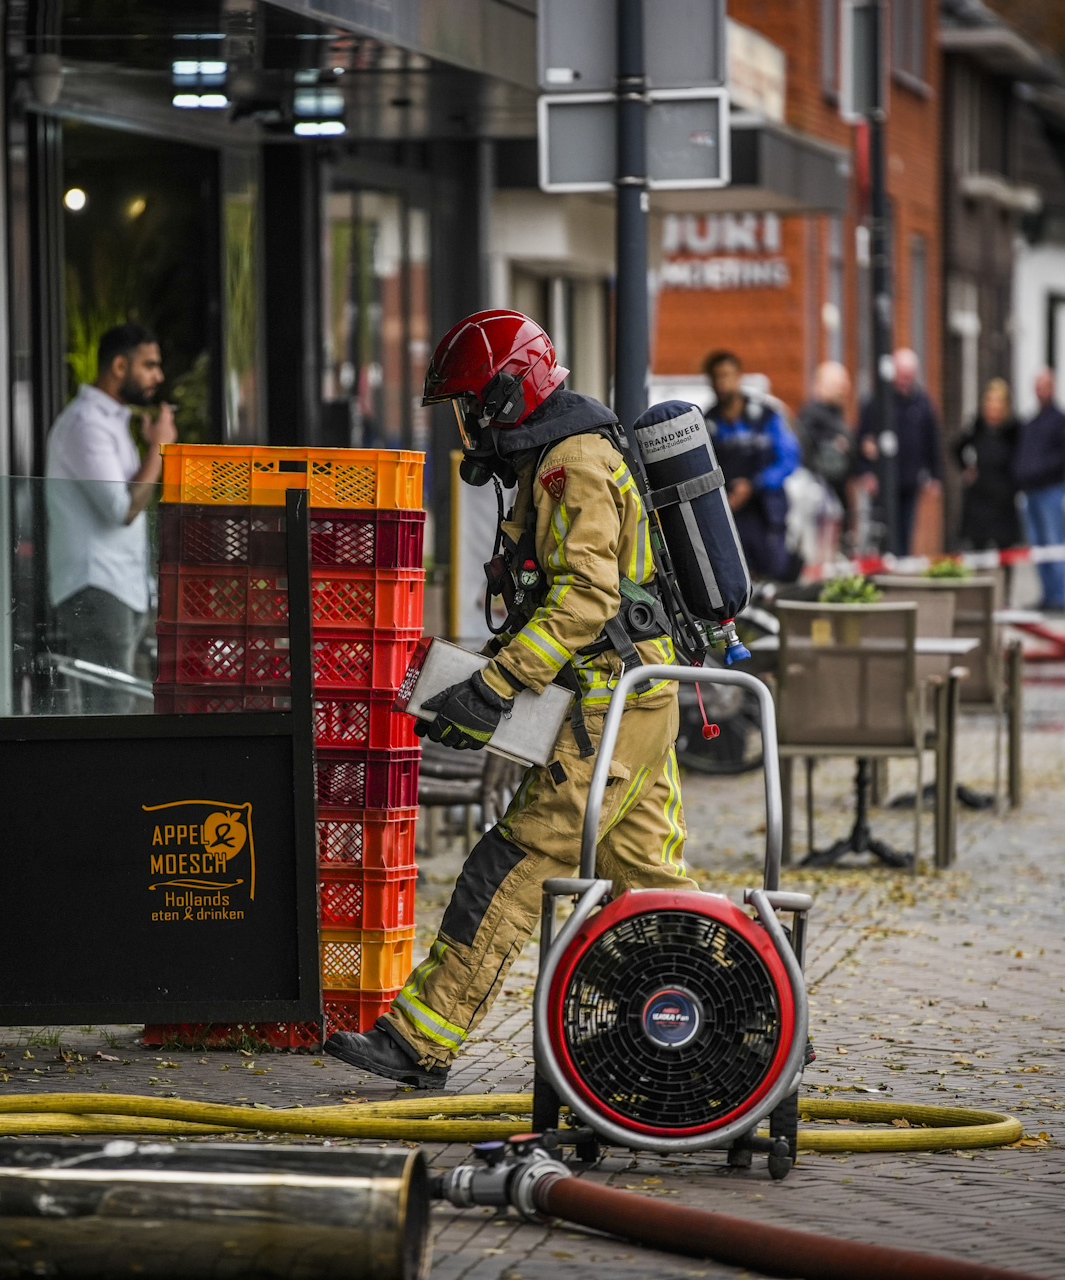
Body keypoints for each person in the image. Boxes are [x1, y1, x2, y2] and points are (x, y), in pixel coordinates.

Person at [323, 309, 692, 1088]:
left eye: (469, 405)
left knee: (512, 860)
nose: (464, 425)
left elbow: (587, 599)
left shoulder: (574, 463)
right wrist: (484, 686)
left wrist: (495, 686)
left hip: (611, 701)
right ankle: (738, 1022)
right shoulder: (553, 456)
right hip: (626, 696)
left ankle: (420, 1042)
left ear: (505, 395)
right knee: (651, 883)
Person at [44, 322, 177, 711]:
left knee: (128, 708)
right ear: (120, 366)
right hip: (97, 588)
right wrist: (160, 449)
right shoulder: (86, 424)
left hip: (122, 587)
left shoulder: (111, 422)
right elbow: (123, 508)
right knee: (113, 712)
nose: (159, 376)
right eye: (149, 365)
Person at [705, 349, 802, 581]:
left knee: (775, 570)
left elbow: (789, 458)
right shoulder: (707, 422)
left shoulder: (765, 416)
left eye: (727, 375)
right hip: (729, 510)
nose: (722, 383)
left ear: (739, 376)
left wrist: (754, 484)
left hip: (766, 510)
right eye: (717, 377)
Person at [856, 348, 944, 552]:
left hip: (909, 479)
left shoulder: (922, 403)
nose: (905, 380)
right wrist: (866, 472)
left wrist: (935, 475)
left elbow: (932, 440)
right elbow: (861, 439)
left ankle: (901, 565)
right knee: (884, 530)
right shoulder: (876, 402)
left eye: (909, 376)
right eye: (902, 375)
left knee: (906, 528)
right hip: (881, 481)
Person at [1013, 367, 1065, 615]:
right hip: (1030, 492)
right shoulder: (1031, 422)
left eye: (1044, 386)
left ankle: (1060, 598)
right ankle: (1047, 596)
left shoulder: (1062, 421)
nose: (1040, 391)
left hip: (1052, 490)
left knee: (1054, 543)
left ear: (1052, 388)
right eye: (1037, 387)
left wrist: (1044, 469)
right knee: (1038, 546)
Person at [956, 377, 1023, 569]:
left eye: (998, 402)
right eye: (990, 402)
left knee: (1005, 550)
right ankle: (982, 593)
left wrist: (1015, 483)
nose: (993, 407)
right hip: (981, 496)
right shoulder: (978, 427)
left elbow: (1021, 458)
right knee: (978, 548)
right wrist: (966, 468)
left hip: (1003, 497)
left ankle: (1005, 593)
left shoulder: (1012, 430)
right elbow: (958, 447)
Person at [796, 360, 856, 509]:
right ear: (823, 385)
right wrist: (832, 444)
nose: (843, 391)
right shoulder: (812, 413)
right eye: (838, 386)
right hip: (820, 489)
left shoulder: (836, 412)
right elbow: (806, 444)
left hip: (836, 487)